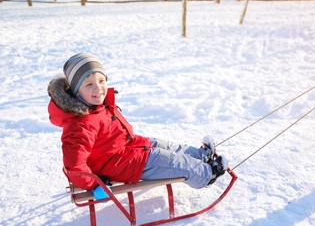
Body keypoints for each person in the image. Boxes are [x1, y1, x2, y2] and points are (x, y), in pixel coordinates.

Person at [47, 53, 228, 197]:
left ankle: (201, 156)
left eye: (101, 81)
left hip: (127, 147)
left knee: (164, 145)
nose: (98, 88)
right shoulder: (81, 123)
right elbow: (74, 165)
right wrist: (96, 184)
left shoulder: (94, 105)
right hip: (121, 165)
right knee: (167, 160)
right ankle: (207, 174)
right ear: (76, 91)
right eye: (89, 84)